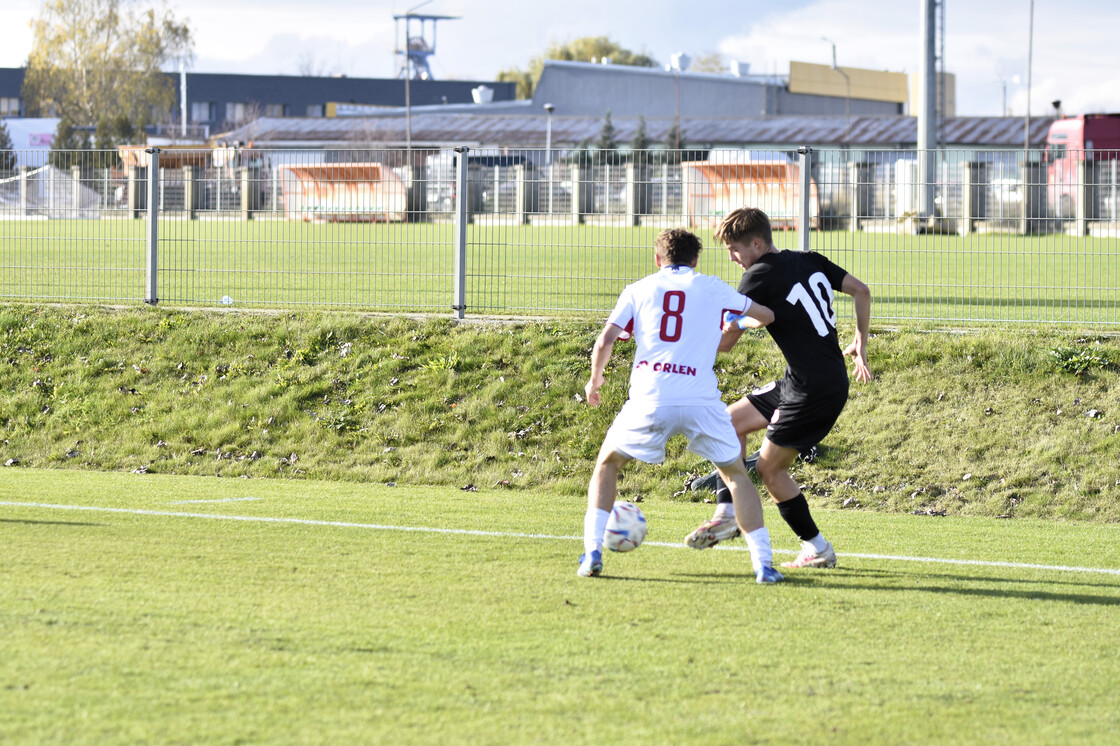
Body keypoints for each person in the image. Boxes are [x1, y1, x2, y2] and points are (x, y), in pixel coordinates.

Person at [580, 227, 785, 583]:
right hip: (699, 399)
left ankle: (593, 554)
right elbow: (767, 316)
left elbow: (606, 340)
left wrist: (595, 380)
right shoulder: (712, 286)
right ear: (695, 260)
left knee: (607, 464)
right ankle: (763, 566)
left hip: (650, 397)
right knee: (736, 474)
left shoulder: (639, 289)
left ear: (658, 259)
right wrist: (737, 319)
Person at [684, 207, 872, 570]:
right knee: (728, 422)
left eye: (734, 249)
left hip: (812, 390)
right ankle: (726, 513)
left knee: (771, 471)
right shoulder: (808, 259)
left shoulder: (757, 277)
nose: (732, 258)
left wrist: (687, 337)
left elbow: (724, 344)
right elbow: (861, 291)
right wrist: (860, 341)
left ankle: (817, 548)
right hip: (806, 378)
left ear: (756, 243)